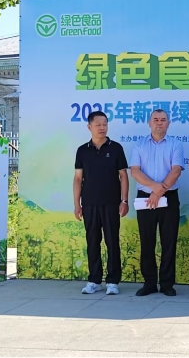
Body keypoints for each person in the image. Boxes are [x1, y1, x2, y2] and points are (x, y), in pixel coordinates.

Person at [73, 111, 129, 295]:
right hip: (89, 203)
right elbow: (78, 179)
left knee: (112, 241)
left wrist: (124, 200)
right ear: (89, 127)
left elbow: (123, 176)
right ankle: (94, 280)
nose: (102, 127)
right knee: (92, 242)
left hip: (112, 203)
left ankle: (113, 281)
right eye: (98, 124)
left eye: (105, 124)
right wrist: (77, 204)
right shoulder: (82, 150)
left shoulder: (116, 148)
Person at [130, 109, 184, 297]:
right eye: (155, 119)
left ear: (168, 123)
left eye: (163, 120)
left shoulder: (175, 144)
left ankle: (167, 284)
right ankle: (149, 283)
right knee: (147, 241)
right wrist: (154, 188)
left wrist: (159, 191)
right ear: (149, 123)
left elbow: (176, 170)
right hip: (145, 198)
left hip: (169, 197)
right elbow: (135, 171)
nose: (159, 123)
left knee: (169, 241)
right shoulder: (139, 144)